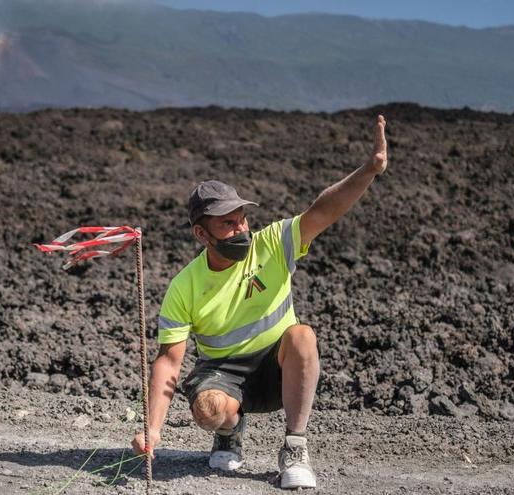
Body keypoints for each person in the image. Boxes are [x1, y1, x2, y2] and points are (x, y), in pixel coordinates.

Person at [132, 115, 388, 489]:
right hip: (224, 372)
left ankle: (295, 447)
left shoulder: (271, 243)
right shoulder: (184, 285)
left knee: (302, 335)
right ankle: (230, 431)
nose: (240, 229)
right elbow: (169, 362)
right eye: (227, 224)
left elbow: (322, 211)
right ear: (202, 234)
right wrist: (152, 430)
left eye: (242, 219)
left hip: (276, 367)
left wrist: (369, 169)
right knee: (207, 410)